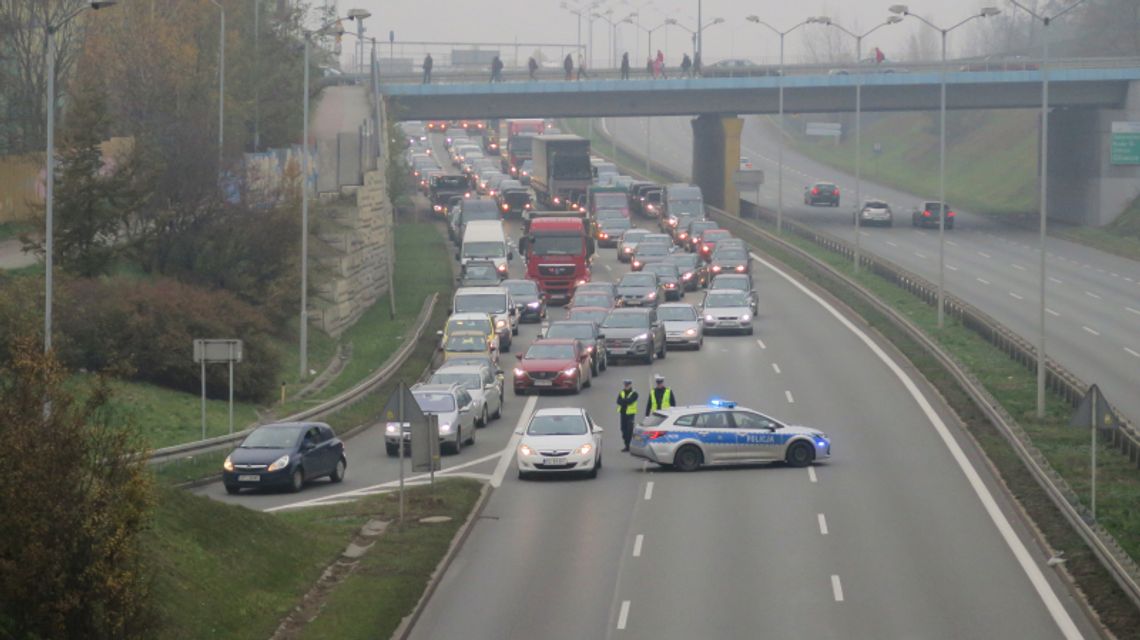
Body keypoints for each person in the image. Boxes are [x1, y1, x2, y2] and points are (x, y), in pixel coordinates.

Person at [616, 379, 639, 451]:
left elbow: (630, 401)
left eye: (627, 385)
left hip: (630, 414)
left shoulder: (634, 393)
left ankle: (629, 446)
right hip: (623, 414)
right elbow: (618, 401)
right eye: (625, 385)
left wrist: (623, 401)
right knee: (623, 430)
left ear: (630, 385)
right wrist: (626, 401)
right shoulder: (621, 392)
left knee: (629, 430)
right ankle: (626, 445)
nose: (626, 386)